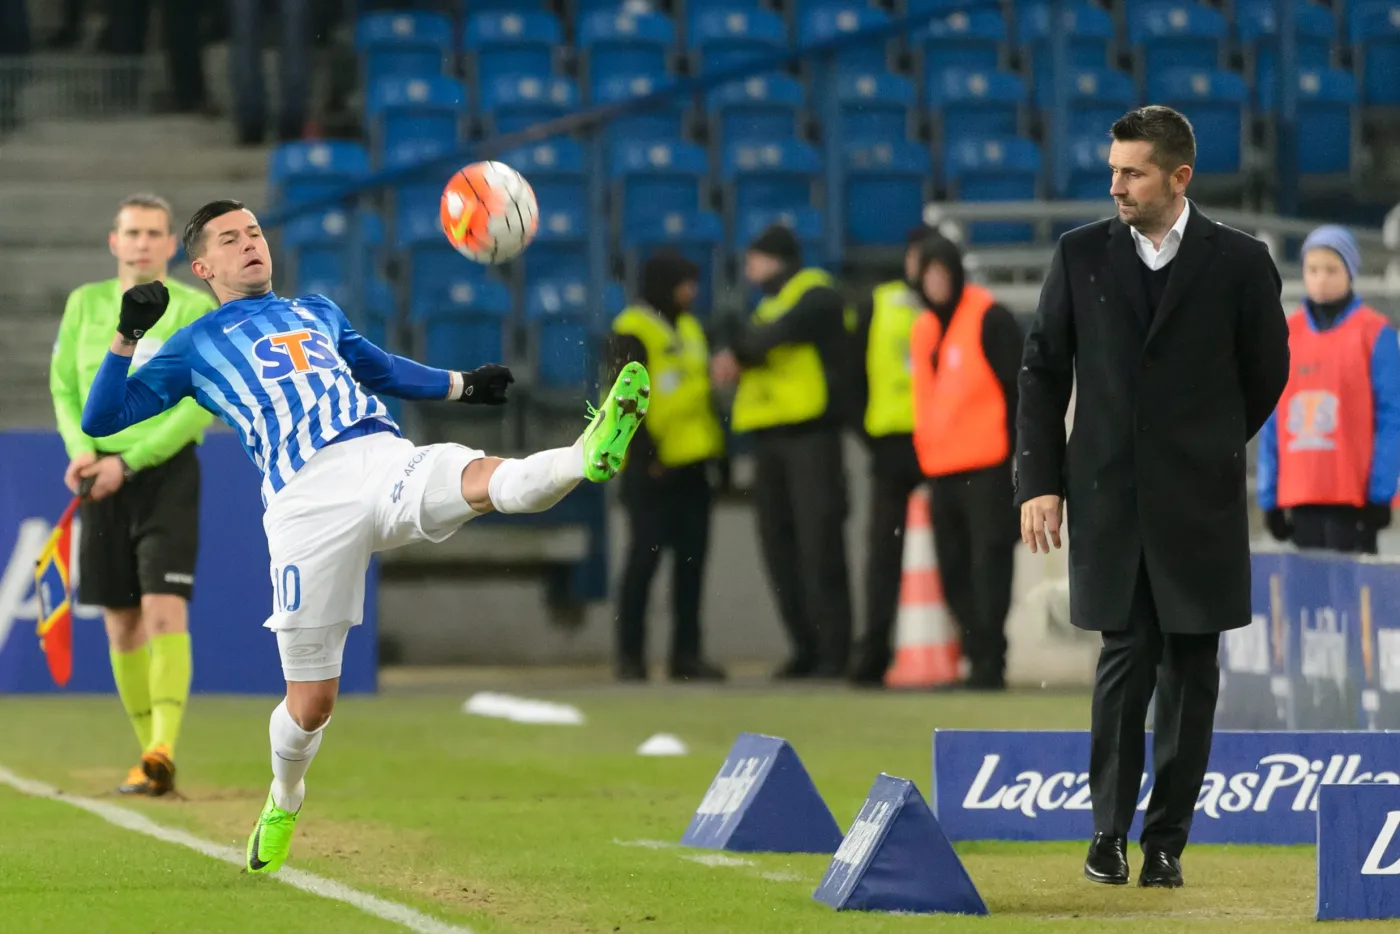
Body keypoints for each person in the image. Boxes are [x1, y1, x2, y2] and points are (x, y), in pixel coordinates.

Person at [80, 199, 649, 875]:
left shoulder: (316, 310)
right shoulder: (194, 345)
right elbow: (103, 418)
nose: (250, 244)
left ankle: (586, 453)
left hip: (381, 458)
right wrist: (126, 337)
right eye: (229, 240)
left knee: (486, 478)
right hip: (304, 503)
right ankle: (285, 796)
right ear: (202, 268)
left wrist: (463, 387)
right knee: (311, 705)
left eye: (254, 232)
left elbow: (379, 368)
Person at [1016, 106, 1289, 888]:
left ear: (1179, 176)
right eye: (1113, 171)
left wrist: (1209, 444)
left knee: (1192, 668)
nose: (1117, 186)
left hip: (1199, 504)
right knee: (1125, 657)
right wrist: (1039, 482)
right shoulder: (1078, 255)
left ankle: (1166, 842)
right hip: (1108, 499)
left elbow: (1267, 370)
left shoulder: (1240, 262)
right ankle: (1107, 833)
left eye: (1132, 172)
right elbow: (1042, 372)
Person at [50, 193, 218, 797]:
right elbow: (63, 386)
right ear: (114, 242)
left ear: (172, 245)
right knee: (121, 624)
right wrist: (81, 450)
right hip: (98, 476)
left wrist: (130, 460)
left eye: (154, 233)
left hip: (165, 474)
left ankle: (162, 747)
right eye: (132, 232)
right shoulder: (85, 303)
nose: (142, 242)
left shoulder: (194, 308)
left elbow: (200, 403)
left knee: (163, 609)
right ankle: (147, 755)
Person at [710, 224, 854, 679]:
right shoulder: (766, 308)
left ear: (776, 258)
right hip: (769, 443)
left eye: (755, 257)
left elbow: (777, 335)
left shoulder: (816, 293)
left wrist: (738, 350)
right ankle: (806, 648)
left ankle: (833, 653)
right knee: (779, 551)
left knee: (818, 546)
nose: (748, 267)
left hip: (811, 438)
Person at [909, 234, 1023, 691]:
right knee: (953, 569)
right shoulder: (923, 329)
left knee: (988, 565)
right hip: (941, 471)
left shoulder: (989, 318)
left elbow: (1020, 391)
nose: (936, 283)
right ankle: (975, 655)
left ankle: (990, 661)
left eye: (942, 273)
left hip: (987, 468)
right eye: (928, 275)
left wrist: (1021, 460)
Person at [608, 251, 727, 682]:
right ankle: (630, 656)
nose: (690, 292)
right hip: (651, 471)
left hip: (693, 464)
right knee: (644, 563)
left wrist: (720, 457)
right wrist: (647, 456)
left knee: (691, 566)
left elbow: (703, 396)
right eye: (684, 283)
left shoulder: (691, 328)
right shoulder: (631, 329)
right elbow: (624, 399)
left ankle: (686, 655)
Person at [1257, 224, 1400, 554]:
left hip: (1354, 497)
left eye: (1332, 269)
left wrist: (1381, 492)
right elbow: (1271, 417)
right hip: (1301, 496)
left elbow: (1391, 419)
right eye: (1313, 269)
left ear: (1350, 272)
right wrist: (1269, 496)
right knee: (1303, 588)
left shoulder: (1375, 334)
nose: (1321, 279)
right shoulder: (1285, 334)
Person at [848, 226, 934, 685]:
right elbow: (850, 373)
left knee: (955, 551)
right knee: (884, 553)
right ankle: (873, 653)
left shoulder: (954, 305)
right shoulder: (878, 303)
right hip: (892, 447)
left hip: (944, 447)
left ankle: (964, 652)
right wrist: (869, 434)